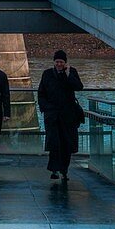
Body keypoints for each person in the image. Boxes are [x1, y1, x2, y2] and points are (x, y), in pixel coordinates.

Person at [38, 50, 85, 181]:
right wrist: (46, 108)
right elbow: (41, 93)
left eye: (61, 62)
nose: (59, 64)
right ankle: (54, 170)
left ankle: (64, 170)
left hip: (68, 116)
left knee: (66, 144)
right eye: (57, 61)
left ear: (65, 63)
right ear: (54, 62)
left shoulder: (71, 72)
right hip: (52, 116)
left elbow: (79, 87)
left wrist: (68, 74)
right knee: (54, 143)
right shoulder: (47, 74)